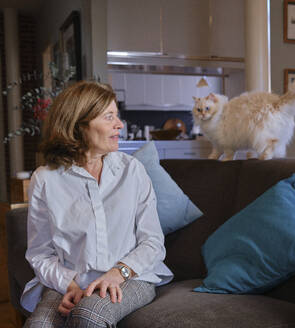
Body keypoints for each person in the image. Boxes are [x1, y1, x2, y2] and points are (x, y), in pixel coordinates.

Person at [21, 81, 173, 327]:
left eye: (117, 116)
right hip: (69, 280)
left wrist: (118, 273)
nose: (119, 125)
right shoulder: (45, 179)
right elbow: (40, 253)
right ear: (79, 126)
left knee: (88, 316)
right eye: (109, 117)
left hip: (130, 277)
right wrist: (69, 286)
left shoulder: (132, 171)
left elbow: (153, 242)